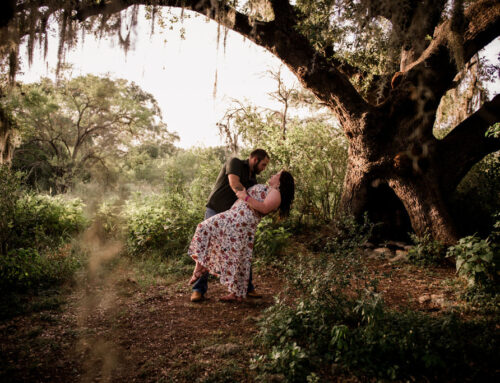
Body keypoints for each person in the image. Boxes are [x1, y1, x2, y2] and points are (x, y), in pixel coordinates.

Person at [188, 171, 295, 302]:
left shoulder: (276, 193)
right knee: (237, 256)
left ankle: (202, 267)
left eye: (276, 175)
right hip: (236, 218)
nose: (272, 175)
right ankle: (234, 292)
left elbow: (264, 208)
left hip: (239, 221)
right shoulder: (270, 189)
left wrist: (245, 197)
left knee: (204, 228)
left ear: (280, 181)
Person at [190, 149, 270, 302]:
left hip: (232, 216)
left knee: (242, 248)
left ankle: (247, 287)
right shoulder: (235, 163)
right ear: (254, 159)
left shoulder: (253, 179)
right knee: (209, 247)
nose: (264, 168)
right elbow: (235, 183)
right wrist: (244, 196)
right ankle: (198, 290)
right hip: (216, 209)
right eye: (263, 164)